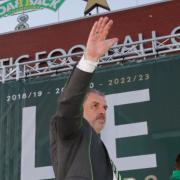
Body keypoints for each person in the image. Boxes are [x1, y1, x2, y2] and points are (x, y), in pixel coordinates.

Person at [50, 17, 119, 180]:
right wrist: (90, 59)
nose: (102, 111)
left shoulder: (96, 144)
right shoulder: (71, 130)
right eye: (95, 105)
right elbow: (68, 103)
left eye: (104, 107)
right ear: (79, 109)